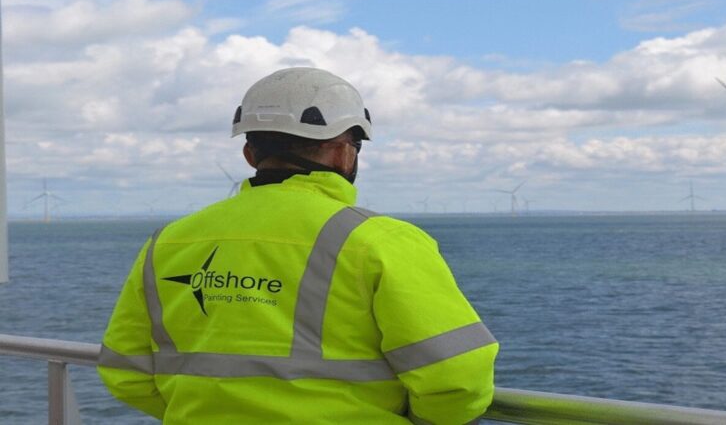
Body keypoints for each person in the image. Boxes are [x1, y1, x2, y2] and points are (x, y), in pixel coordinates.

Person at [97, 67, 499, 424]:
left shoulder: (169, 241)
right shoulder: (381, 241)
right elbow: (457, 380)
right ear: (345, 152)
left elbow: (125, 371)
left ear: (250, 153)